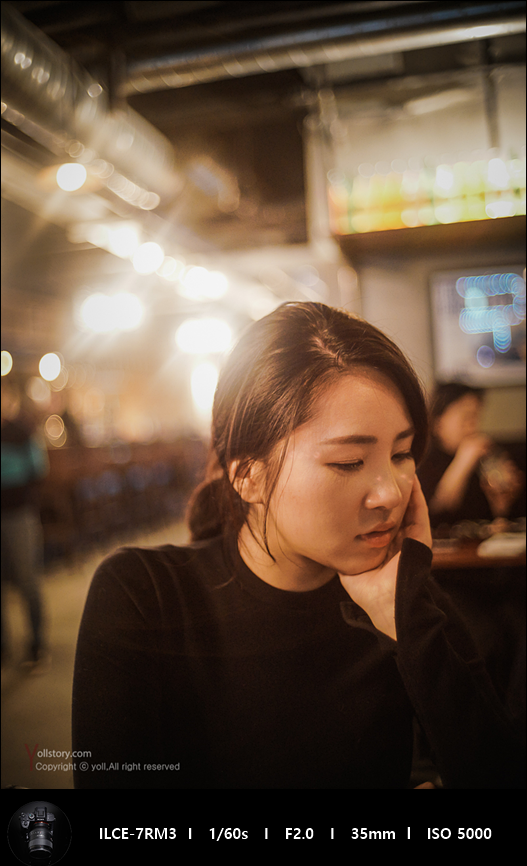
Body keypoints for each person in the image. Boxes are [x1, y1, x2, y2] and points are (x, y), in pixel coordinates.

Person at [72, 303, 524, 789]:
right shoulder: (145, 595)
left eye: (401, 454)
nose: (391, 494)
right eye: (349, 462)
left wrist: (406, 622)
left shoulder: (403, 599)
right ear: (248, 475)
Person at [417, 383, 524, 528]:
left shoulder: (482, 460)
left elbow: (483, 520)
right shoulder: (422, 459)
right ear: (438, 421)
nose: (472, 425)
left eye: (476, 416)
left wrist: (501, 505)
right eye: (466, 416)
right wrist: (463, 461)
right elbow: (435, 513)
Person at [1, 379, 50, 671]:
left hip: (19, 512)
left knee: (27, 579)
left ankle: (37, 644)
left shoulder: (23, 430)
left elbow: (39, 468)